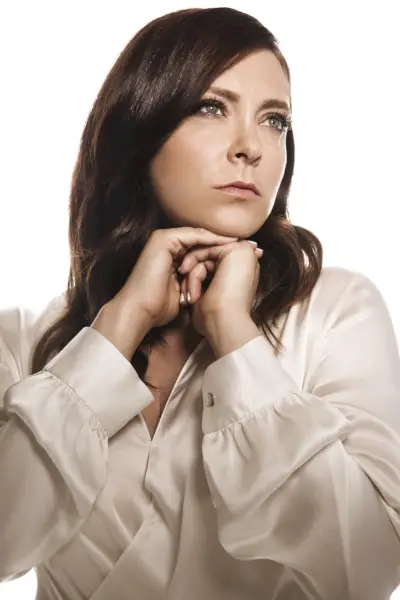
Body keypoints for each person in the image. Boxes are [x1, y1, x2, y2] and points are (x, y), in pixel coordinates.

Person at [1, 6, 400, 600]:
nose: (251, 148)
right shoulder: (23, 343)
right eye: (212, 108)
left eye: (274, 120)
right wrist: (118, 329)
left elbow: (371, 567)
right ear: (140, 128)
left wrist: (235, 337)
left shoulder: (338, 311)